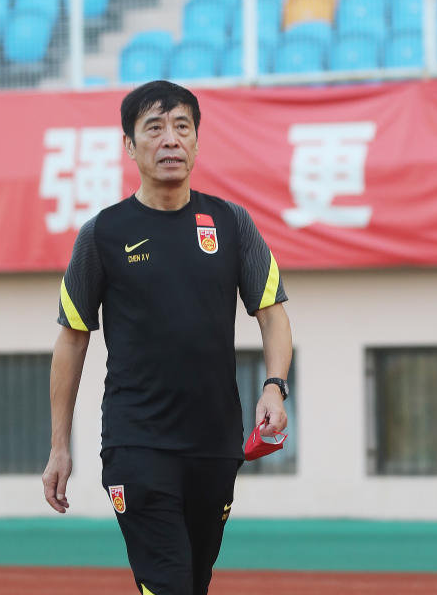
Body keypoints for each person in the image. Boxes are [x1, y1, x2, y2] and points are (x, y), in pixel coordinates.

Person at [41, 80, 293, 595]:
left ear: (198, 141)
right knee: (168, 585)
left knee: (192, 584)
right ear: (130, 146)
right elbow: (72, 339)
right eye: (154, 128)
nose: (170, 140)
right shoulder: (101, 235)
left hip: (216, 445)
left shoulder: (231, 223)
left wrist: (274, 385)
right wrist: (59, 446)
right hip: (137, 443)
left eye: (182, 127)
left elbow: (272, 313)